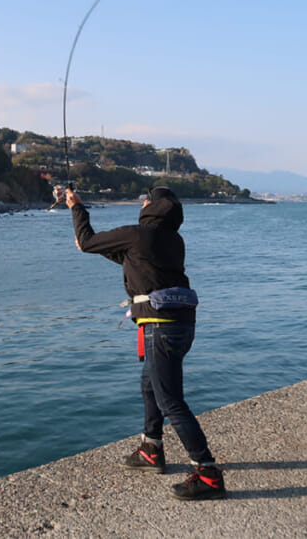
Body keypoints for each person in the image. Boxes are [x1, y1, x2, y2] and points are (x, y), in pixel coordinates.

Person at [65, 186, 226, 501]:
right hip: (182, 325)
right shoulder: (173, 240)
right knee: (150, 385)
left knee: (170, 401)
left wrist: (77, 208)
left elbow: (86, 242)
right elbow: (138, 264)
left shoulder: (137, 234)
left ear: (152, 205)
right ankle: (151, 448)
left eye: (145, 199)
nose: (142, 203)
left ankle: (208, 473)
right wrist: (94, 246)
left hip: (159, 327)